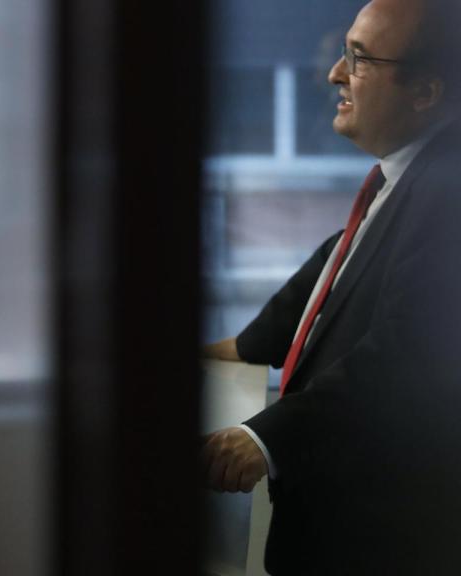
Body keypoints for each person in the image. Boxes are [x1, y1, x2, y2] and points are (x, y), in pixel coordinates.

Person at [201, 0, 461, 573]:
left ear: (426, 92)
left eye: (360, 59)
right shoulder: (407, 175)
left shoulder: (448, 191)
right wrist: (231, 350)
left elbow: (403, 357)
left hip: (381, 545)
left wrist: (263, 438)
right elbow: (338, 271)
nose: (335, 74)